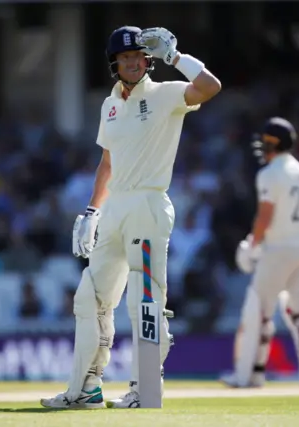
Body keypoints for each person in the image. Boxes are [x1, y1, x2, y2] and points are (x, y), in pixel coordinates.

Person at [40, 26, 220, 409]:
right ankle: (86, 389)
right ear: (114, 64)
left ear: (149, 58)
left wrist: (176, 58)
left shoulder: (164, 93)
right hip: (115, 208)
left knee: (144, 300)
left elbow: (210, 87)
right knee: (90, 299)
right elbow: (107, 162)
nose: (133, 62)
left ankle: (146, 390)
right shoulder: (110, 105)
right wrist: (92, 211)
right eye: (125, 58)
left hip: (149, 205)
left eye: (138, 56)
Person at [224, 117, 299, 388]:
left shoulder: (270, 174)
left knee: (257, 310)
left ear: (273, 143)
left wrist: (252, 245)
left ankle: (248, 375)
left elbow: (265, 216)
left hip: (279, 248)